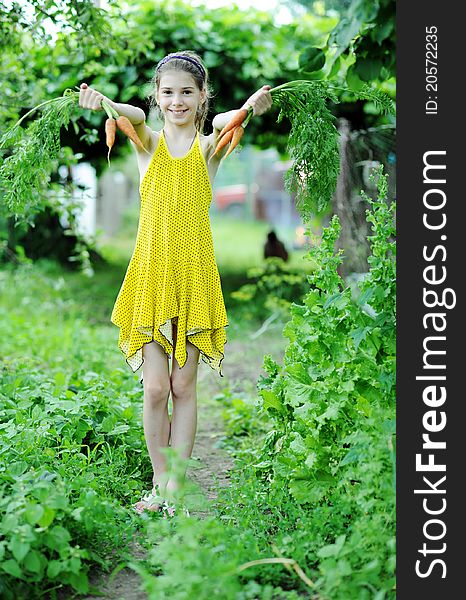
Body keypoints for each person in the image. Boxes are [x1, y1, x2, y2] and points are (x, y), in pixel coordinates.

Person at [78, 50, 272, 516]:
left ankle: (175, 492)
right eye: (168, 92)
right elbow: (133, 115)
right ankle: (157, 481)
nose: (177, 100)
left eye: (187, 92)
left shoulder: (210, 146)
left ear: (202, 97)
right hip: (151, 276)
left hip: (195, 280)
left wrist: (249, 107)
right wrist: (103, 101)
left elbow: (230, 118)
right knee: (155, 390)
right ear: (157, 97)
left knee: (185, 388)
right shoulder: (147, 143)